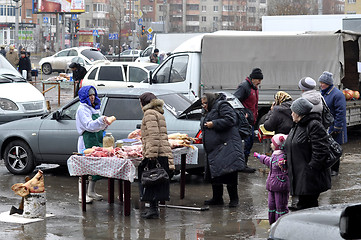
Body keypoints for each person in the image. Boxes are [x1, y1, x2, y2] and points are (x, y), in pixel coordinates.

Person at [284, 97, 331, 211]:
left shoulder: (314, 125)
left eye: (293, 111)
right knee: (303, 207)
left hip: (309, 177)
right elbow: (291, 145)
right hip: (299, 175)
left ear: (299, 113)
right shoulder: (297, 125)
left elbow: (321, 151)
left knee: (308, 208)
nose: (291, 114)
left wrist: (310, 170)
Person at [201, 93, 245, 208]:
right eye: (202, 104)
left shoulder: (222, 105)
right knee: (215, 173)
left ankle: (234, 199)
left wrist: (214, 123)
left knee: (229, 172)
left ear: (210, 101)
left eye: (205, 103)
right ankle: (217, 198)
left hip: (227, 146)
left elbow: (230, 120)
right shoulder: (210, 110)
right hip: (215, 148)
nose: (204, 106)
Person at [138, 92, 173, 219]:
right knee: (156, 180)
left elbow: (154, 135)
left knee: (151, 179)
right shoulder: (158, 112)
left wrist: (151, 155)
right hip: (162, 151)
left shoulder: (149, 114)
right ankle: (154, 208)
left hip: (155, 152)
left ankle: (153, 209)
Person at [76, 86, 112, 204]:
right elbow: (89, 125)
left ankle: (91, 191)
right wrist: (101, 120)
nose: (92, 98)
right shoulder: (82, 109)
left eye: (93, 95)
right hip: (87, 140)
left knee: (94, 167)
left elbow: (99, 125)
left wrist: (105, 123)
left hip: (97, 139)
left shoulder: (95, 108)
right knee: (84, 167)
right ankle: (82, 194)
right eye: (90, 96)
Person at [254, 134, 289, 225]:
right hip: (272, 185)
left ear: (277, 145)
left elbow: (287, 169)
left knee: (280, 207)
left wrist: (284, 166)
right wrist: (260, 157)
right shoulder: (275, 155)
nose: (270, 144)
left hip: (280, 186)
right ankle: (272, 224)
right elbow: (269, 161)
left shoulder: (283, 157)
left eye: (272, 143)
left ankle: (280, 225)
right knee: (271, 205)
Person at [234, 68, 263, 173]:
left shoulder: (254, 88)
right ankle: (241, 165)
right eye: (258, 80)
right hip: (245, 121)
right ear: (253, 78)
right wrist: (243, 113)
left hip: (252, 120)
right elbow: (235, 100)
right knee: (246, 142)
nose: (259, 82)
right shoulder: (244, 86)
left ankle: (243, 164)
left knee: (249, 142)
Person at [318, 71, 347, 176]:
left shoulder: (338, 95)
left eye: (323, 83)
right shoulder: (323, 93)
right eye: (320, 82)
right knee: (327, 147)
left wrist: (337, 127)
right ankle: (328, 168)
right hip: (326, 125)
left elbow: (341, 112)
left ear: (329, 83)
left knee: (335, 148)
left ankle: (335, 169)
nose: (321, 84)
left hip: (335, 127)